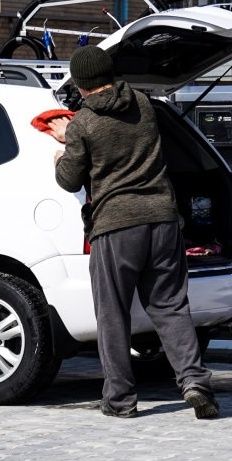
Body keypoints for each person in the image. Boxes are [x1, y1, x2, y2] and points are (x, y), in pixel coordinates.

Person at [51, 45, 220, 419]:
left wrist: (63, 150)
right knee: (171, 307)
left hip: (116, 226)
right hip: (162, 219)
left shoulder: (83, 123)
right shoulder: (143, 104)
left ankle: (120, 400)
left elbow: (69, 180)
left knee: (113, 314)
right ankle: (194, 382)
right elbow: (121, 137)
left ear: (80, 84)